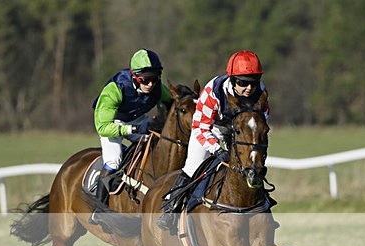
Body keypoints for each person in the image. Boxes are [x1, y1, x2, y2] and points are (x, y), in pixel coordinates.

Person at [156, 50, 270, 231]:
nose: (249, 88)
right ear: (232, 79)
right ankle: (171, 208)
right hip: (210, 128)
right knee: (193, 165)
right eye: (243, 82)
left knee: (251, 165)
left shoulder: (261, 92)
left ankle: (262, 205)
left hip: (238, 131)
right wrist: (217, 149)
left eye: (253, 82)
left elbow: (261, 123)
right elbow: (201, 128)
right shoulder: (213, 92)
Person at [89, 49, 173, 225]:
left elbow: (173, 104)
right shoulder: (115, 89)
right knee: (114, 161)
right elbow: (103, 127)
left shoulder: (157, 88)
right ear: (134, 76)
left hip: (136, 119)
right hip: (112, 122)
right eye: (145, 80)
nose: (150, 84)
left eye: (155, 78)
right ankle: (98, 209)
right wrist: (134, 128)